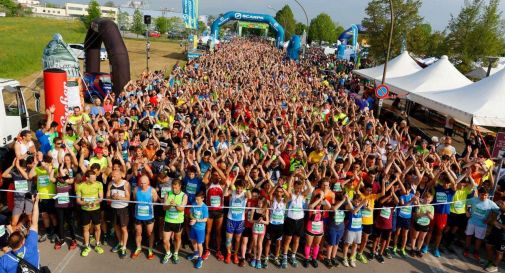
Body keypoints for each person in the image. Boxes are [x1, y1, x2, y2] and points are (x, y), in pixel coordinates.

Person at [0, 194, 40, 272]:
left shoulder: (3, 260)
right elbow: (34, 223)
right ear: (22, 242)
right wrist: (35, 203)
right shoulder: (30, 246)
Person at [464, 187, 500, 260]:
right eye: (482, 194)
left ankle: (476, 252)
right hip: (471, 221)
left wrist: (491, 219)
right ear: (478, 194)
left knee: (479, 239)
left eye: (486, 195)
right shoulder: (473, 200)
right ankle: (466, 249)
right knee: (468, 236)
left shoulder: (491, 203)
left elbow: (497, 211)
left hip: (482, 224)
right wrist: (467, 211)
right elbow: (468, 204)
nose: (484, 197)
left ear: (488, 195)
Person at [76, 170, 104, 257]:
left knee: (97, 228)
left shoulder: (99, 184)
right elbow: (78, 201)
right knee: (85, 229)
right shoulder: (80, 186)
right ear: (87, 178)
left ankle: (97, 244)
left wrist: (96, 202)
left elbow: (101, 198)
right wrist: (86, 203)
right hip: (85, 210)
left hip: (96, 209)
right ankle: (87, 246)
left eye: (95, 177)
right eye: (92, 178)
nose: (95, 178)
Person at [132, 175, 159, 260]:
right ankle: (138, 248)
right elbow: (134, 199)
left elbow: (155, 201)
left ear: (148, 183)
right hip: (138, 215)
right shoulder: (136, 189)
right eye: (141, 183)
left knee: (150, 233)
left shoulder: (152, 190)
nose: (142, 185)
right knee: (138, 232)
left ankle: (150, 249)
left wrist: (149, 207)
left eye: (144, 183)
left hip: (149, 216)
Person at [162, 179, 187, 264]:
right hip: (168, 220)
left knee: (177, 238)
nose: (174, 189)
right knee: (165, 240)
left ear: (180, 186)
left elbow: (182, 209)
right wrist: (169, 205)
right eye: (173, 187)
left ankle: (176, 253)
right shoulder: (167, 194)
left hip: (178, 221)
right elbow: (164, 208)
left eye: (176, 188)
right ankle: (168, 253)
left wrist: (175, 205)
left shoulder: (184, 196)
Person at [106, 170, 130, 259]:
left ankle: (124, 247)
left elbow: (128, 198)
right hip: (113, 208)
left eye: (114, 176)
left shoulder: (126, 184)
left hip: (123, 209)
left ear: (120, 176)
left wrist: (119, 197)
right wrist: (111, 197)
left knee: (124, 228)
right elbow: (107, 196)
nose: (112, 178)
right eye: (112, 176)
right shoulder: (110, 183)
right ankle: (120, 243)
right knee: (116, 227)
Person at [187, 191, 208, 269]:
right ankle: (195, 253)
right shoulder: (194, 204)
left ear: (202, 199)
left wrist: (196, 220)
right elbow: (191, 213)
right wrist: (192, 219)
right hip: (193, 227)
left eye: (198, 200)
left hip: (200, 229)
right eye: (196, 199)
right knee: (193, 241)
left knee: (199, 244)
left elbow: (205, 219)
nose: (196, 201)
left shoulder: (204, 207)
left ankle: (200, 258)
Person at [483, 198, 505, 272]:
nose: (501, 204)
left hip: (503, 236)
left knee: (499, 252)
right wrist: (490, 221)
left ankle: (495, 266)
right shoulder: (499, 209)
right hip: (494, 232)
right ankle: (490, 261)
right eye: (501, 203)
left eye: (503, 203)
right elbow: (491, 204)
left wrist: (497, 224)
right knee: (488, 246)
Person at [410, 192, 435, 258]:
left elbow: (432, 218)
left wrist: (429, 215)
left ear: (431, 200)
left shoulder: (432, 207)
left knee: (422, 238)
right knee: (415, 237)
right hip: (418, 223)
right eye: (426, 199)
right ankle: (412, 249)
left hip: (426, 224)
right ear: (423, 199)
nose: (427, 201)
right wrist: (425, 214)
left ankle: (418, 249)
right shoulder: (419, 205)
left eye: (429, 200)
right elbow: (416, 215)